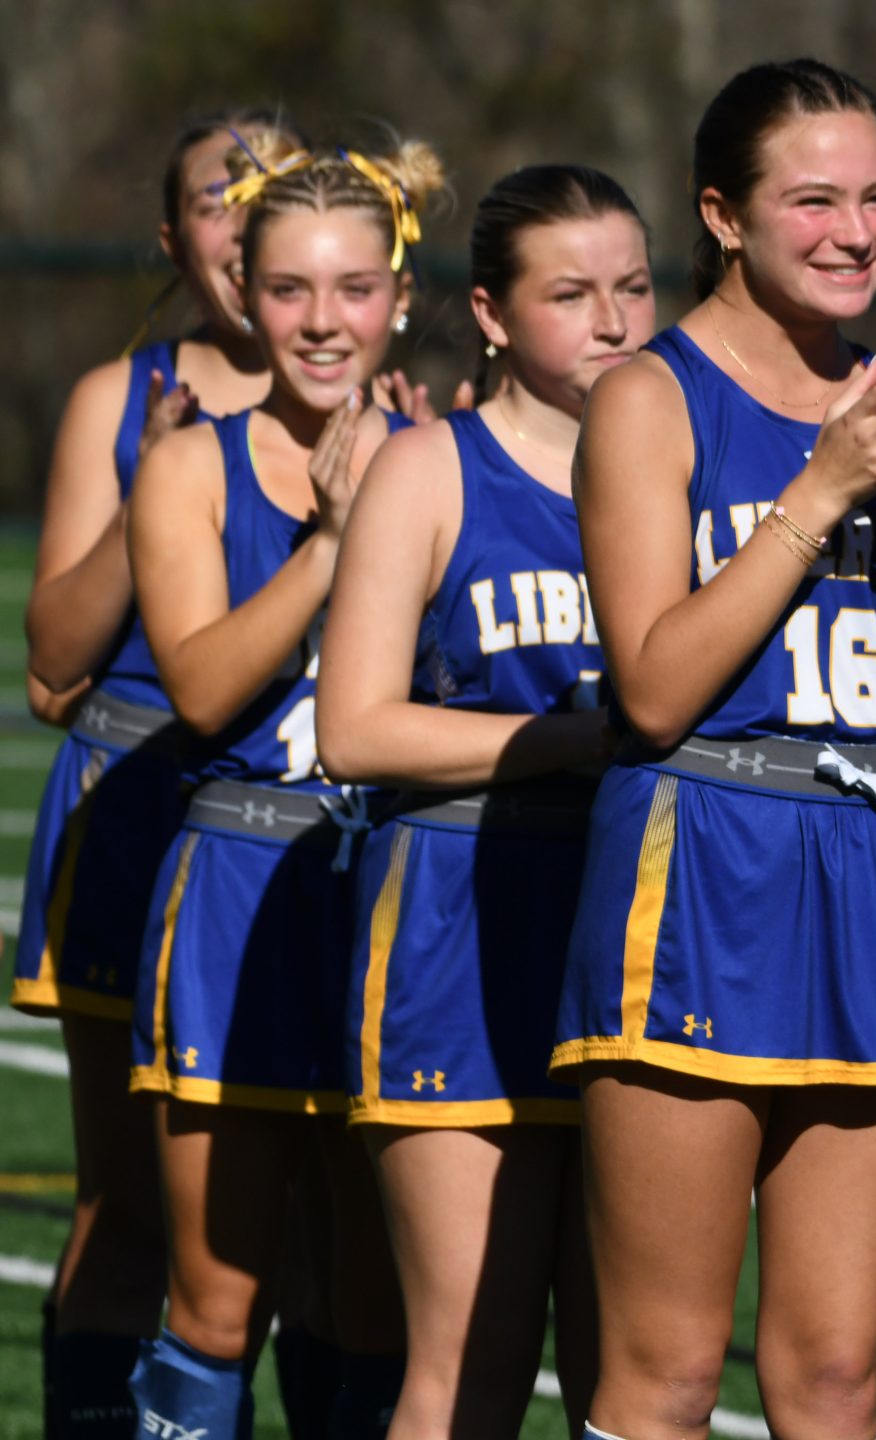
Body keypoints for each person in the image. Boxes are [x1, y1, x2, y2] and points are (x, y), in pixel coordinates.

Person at [556, 57, 876, 1438]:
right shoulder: (647, 398)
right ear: (724, 216)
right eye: (813, 200)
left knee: (832, 1372)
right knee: (670, 1371)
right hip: (700, 863)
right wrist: (826, 489)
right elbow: (656, 691)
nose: (857, 231)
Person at [314, 163, 654, 1438]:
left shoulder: (681, 458)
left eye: (632, 286)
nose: (614, 320)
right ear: (494, 316)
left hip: (638, 921)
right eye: (571, 293)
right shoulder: (431, 471)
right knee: (472, 1367)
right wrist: (578, 737)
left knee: (638, 1375)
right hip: (463, 917)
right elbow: (355, 727)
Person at [122, 133, 443, 1440]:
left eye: (355, 289)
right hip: (238, 890)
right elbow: (199, 691)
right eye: (293, 290)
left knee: (373, 1310)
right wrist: (332, 542)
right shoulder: (193, 459)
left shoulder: (459, 450)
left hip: (396, 898)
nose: (325, 322)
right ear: (245, 297)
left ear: (402, 299)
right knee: (213, 1306)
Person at [12, 110, 294, 1439]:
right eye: (216, 200)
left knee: (314, 1227)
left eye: (275, 192)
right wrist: (159, 492)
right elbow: (51, 669)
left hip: (309, 828)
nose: (245, 223)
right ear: (172, 239)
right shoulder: (120, 401)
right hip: (139, 818)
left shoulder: (389, 399)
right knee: (130, 1206)